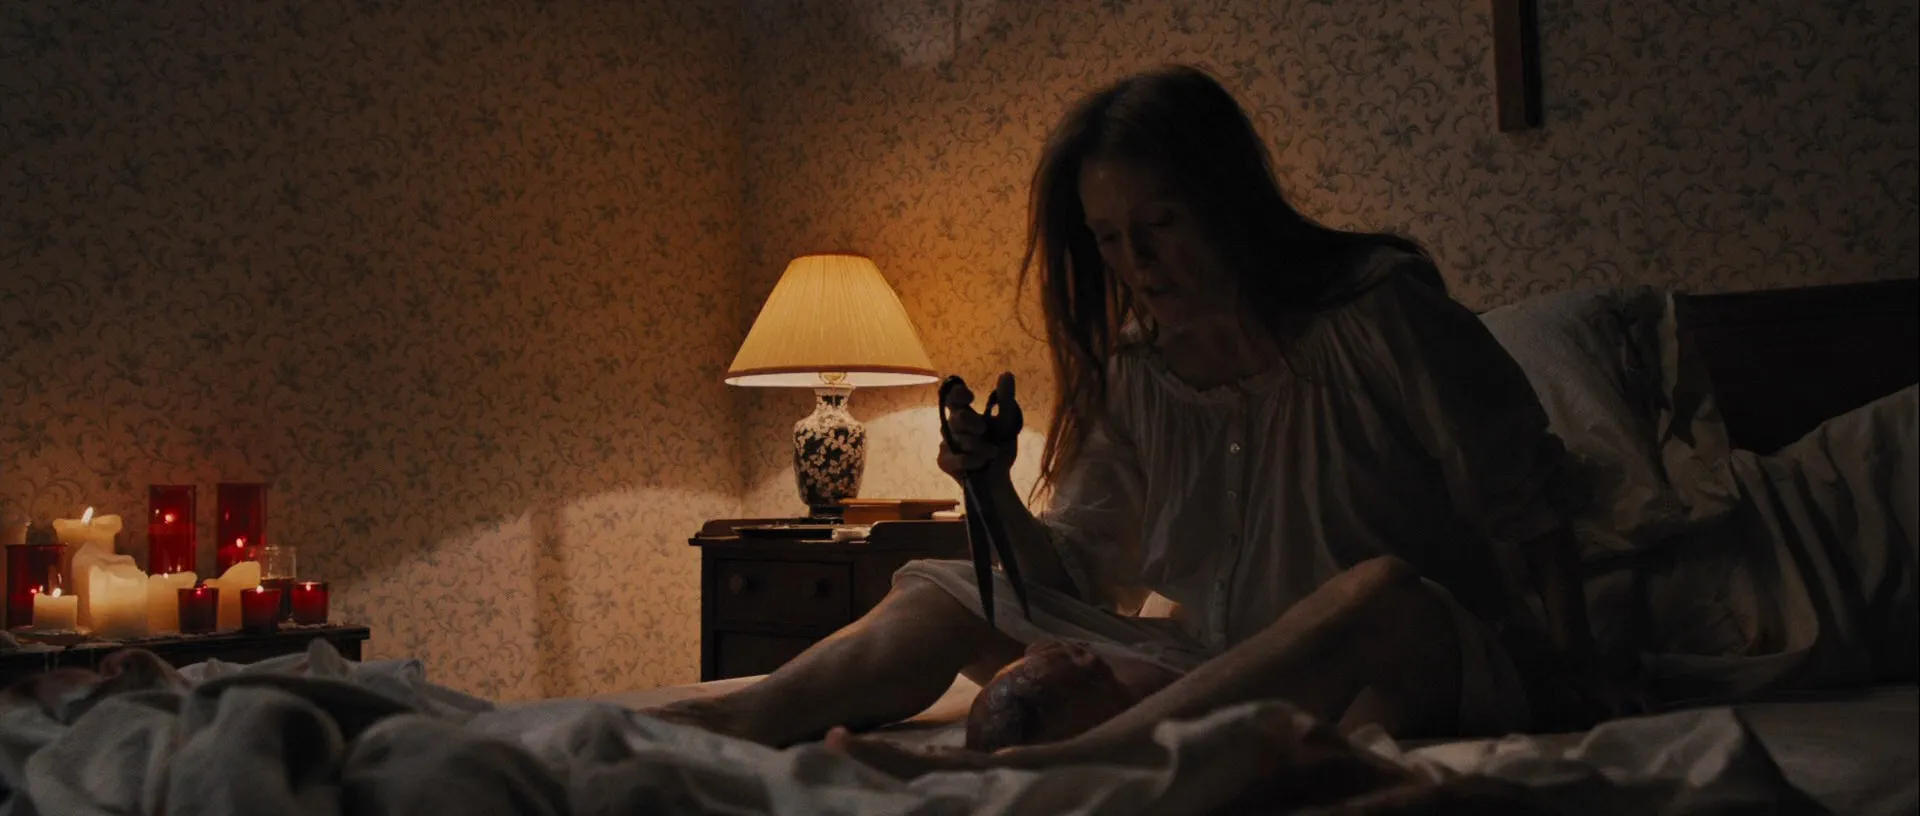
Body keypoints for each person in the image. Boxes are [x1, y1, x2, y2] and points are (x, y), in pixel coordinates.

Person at [651, 64, 1636, 773]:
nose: (1139, 264)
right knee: (946, 588)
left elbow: (1530, 502)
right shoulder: (1142, 373)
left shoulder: (1377, 310)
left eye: (1161, 225)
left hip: (1426, 657)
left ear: (1229, 203)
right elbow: (1076, 577)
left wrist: (1576, 675)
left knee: (1380, 592)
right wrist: (988, 486)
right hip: (1220, 664)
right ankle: (721, 731)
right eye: (1112, 238)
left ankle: (1048, 771)